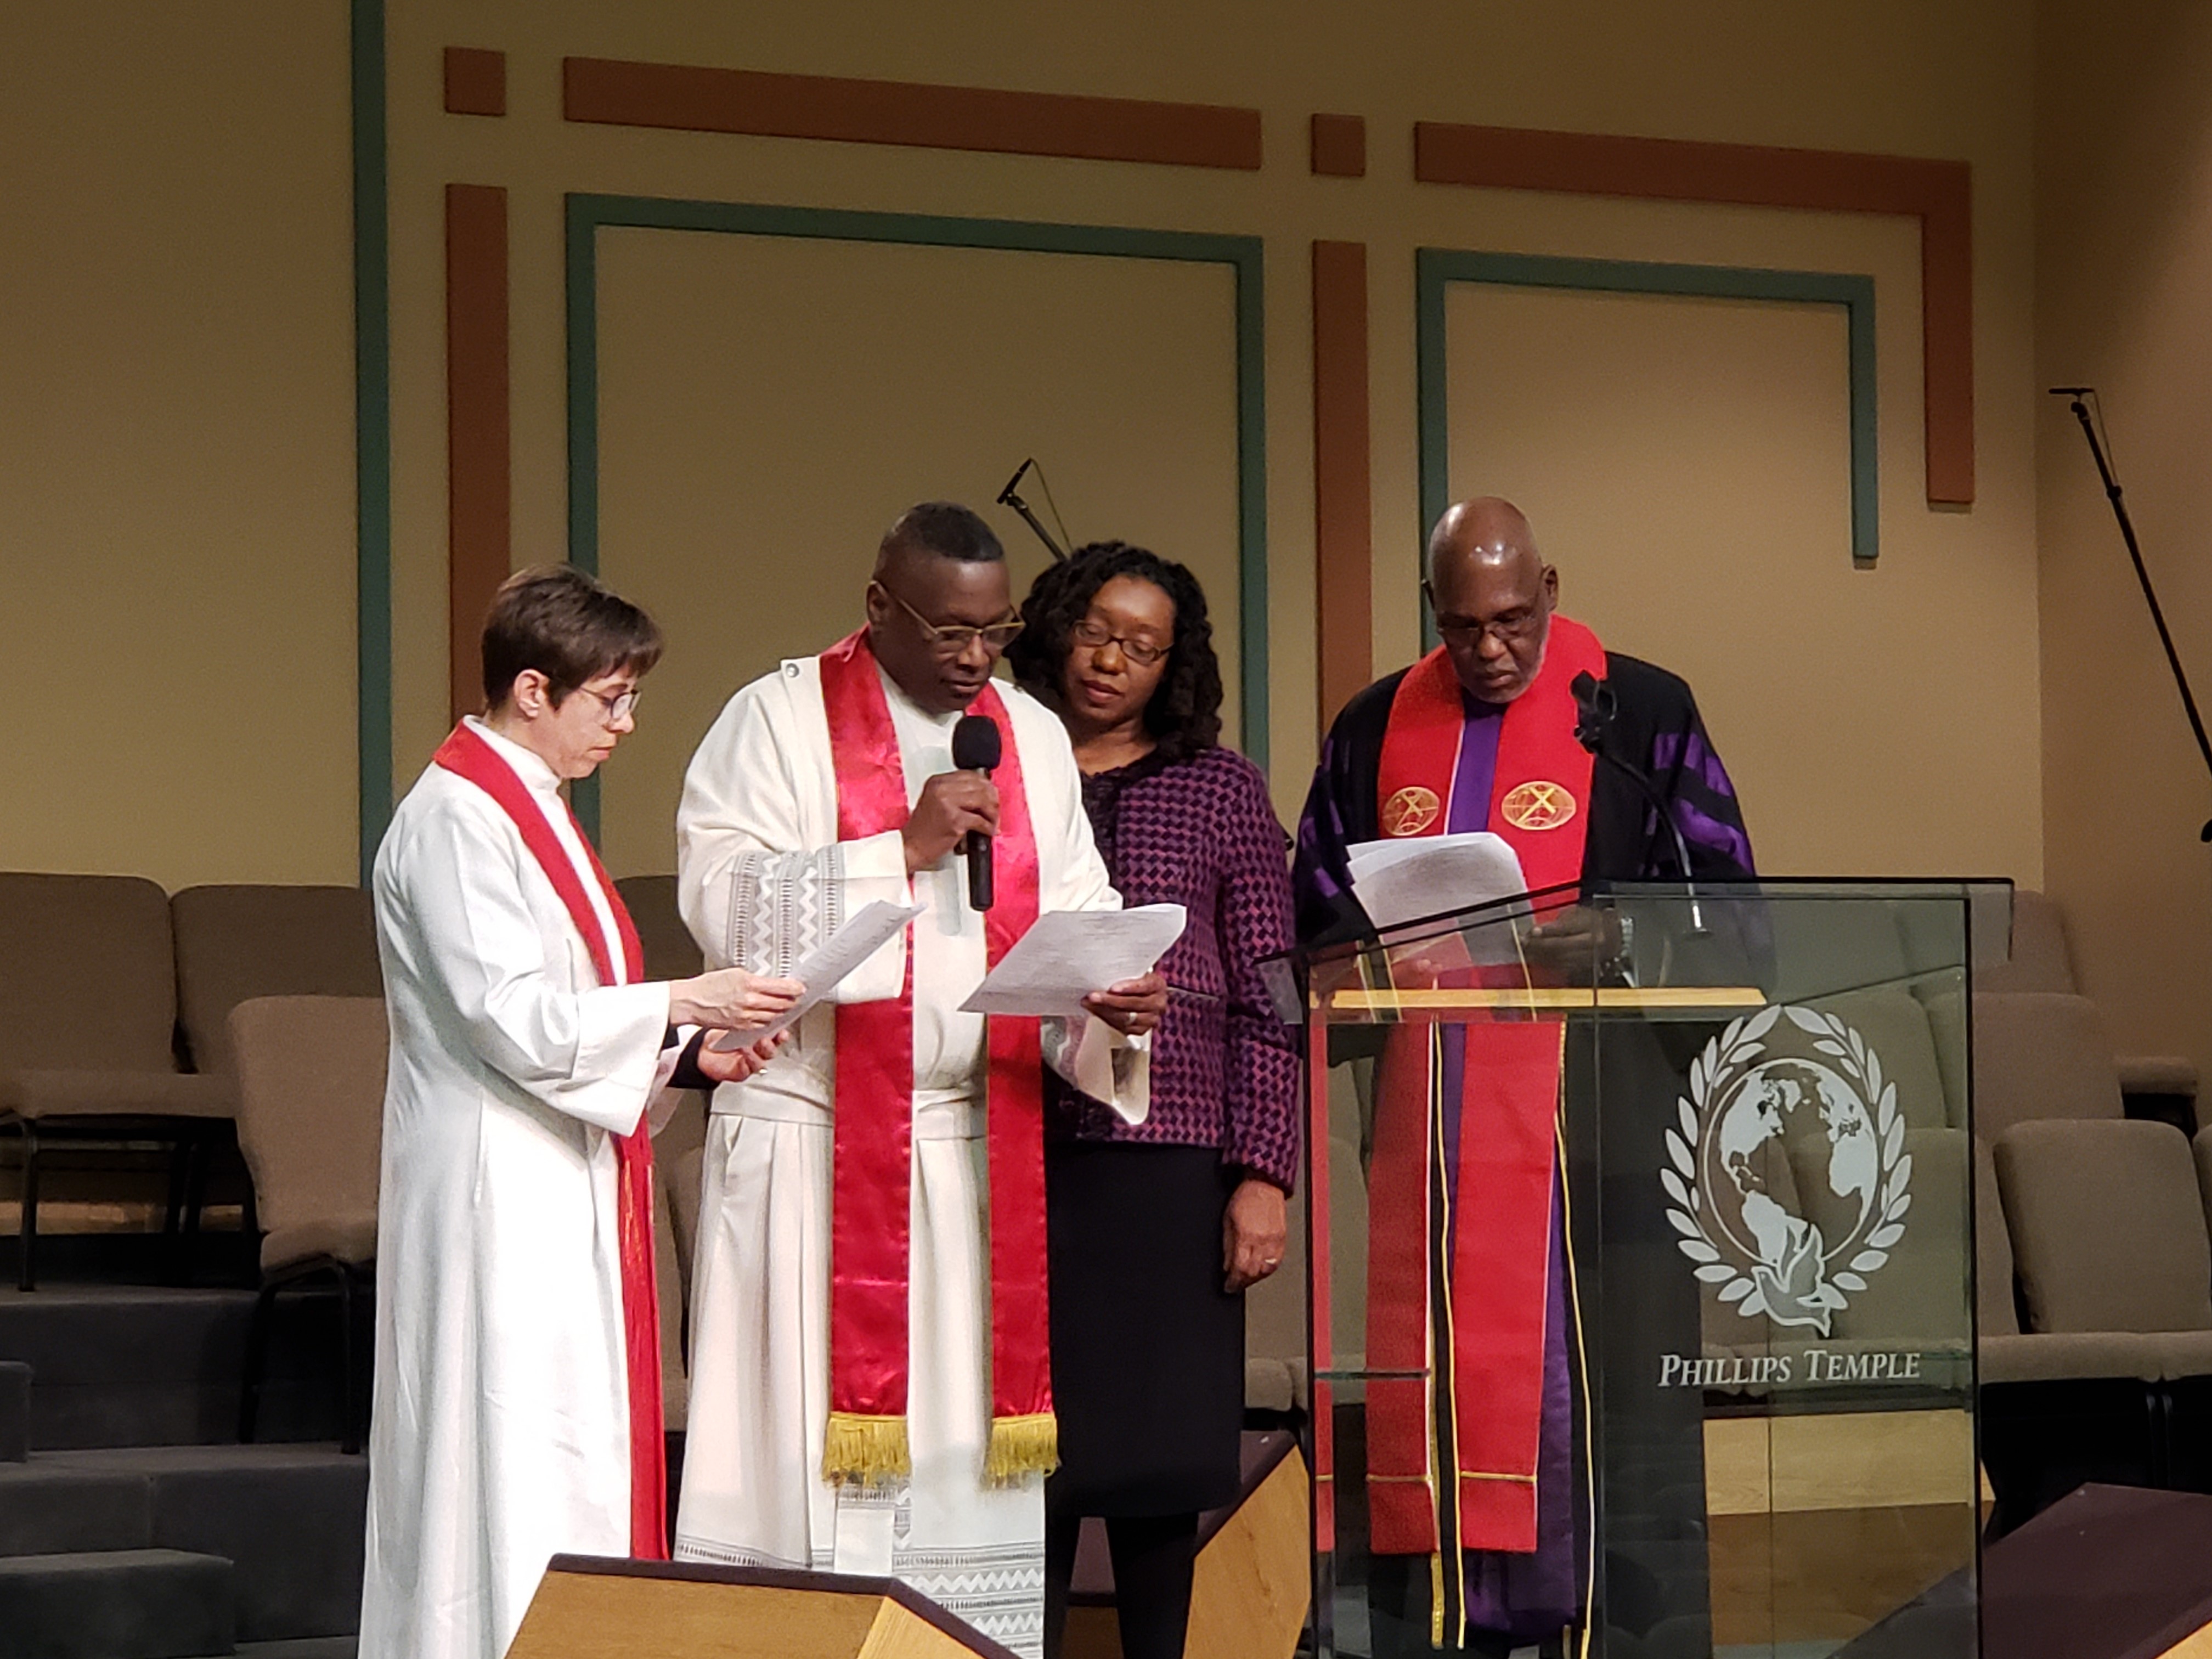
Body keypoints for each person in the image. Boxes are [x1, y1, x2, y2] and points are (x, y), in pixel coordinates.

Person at [672, 503, 1168, 1658]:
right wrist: (894, 848)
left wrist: (1108, 993)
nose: (976, 658)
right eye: (950, 632)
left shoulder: (1028, 735)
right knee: (798, 1484)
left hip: (970, 1159)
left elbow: (1077, 906)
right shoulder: (776, 719)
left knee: (958, 1494)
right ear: (878, 606)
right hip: (809, 1153)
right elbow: (724, 909)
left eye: (996, 632)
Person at [1293, 499, 1756, 1658]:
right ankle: (1446, 1635)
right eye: (1463, 627)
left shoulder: (1639, 714)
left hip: (1598, 1138)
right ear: (1432, 611)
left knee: (1603, 1414)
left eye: (1511, 619)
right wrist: (1374, 952)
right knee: (1438, 1394)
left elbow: (1734, 911)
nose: (1491, 649)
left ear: (1550, 589)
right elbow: (1315, 916)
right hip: (1432, 1145)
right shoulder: (1373, 727)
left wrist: (1623, 935)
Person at [361, 566, 802, 1659]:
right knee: (505, 1460)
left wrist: (691, 1058)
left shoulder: (529, 807)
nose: (626, 723)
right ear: (531, 690)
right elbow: (509, 1017)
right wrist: (681, 1000)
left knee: (560, 1454)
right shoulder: (458, 818)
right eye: (610, 698)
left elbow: (564, 1006)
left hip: (553, 1174)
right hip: (494, 1188)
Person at [1006, 543, 1301, 1659]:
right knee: (1024, 1457)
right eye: (1096, 632)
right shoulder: (1005, 765)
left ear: (1174, 666)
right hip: (1019, 1147)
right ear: (1057, 628)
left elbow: (1273, 989)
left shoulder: (1220, 787)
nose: (1110, 661)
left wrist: (1263, 1173)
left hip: (1173, 1164)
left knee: (1160, 1465)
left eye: (1141, 646)